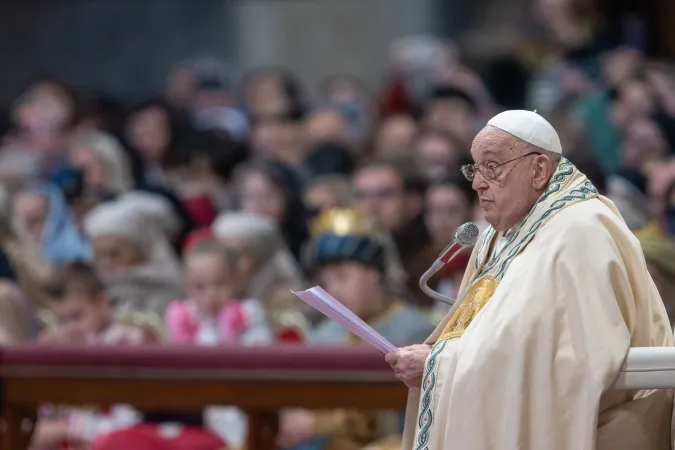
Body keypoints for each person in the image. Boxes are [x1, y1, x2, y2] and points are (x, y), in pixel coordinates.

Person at [385, 110, 674, 450]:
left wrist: (439, 365)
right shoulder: (497, 235)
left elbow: (573, 358)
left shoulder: (581, 230)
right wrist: (438, 356)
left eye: (491, 166)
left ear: (538, 170)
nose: (477, 182)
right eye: (474, 168)